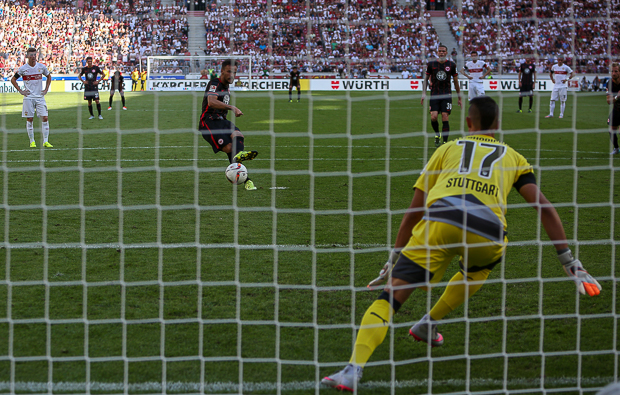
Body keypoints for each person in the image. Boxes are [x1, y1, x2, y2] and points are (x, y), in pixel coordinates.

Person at [321, 96, 602, 392]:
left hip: (440, 222)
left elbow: (414, 211)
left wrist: (394, 257)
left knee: (390, 298)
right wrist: (569, 261)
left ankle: (353, 370)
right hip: (488, 230)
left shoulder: (447, 148)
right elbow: (544, 208)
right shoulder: (514, 157)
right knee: (477, 271)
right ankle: (429, 322)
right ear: (498, 124)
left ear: (468, 123)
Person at [199, 59, 258, 191]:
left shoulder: (226, 87)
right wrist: (232, 107)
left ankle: (240, 162)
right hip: (208, 122)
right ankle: (246, 180)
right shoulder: (215, 83)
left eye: (234, 72)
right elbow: (211, 102)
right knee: (229, 149)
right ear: (222, 71)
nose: (232, 75)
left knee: (239, 136)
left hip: (221, 120)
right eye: (229, 71)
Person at [10, 47, 53, 148]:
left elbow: (49, 76)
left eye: (35, 55)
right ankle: (32, 141)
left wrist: (46, 89)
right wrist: (21, 91)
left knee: (45, 117)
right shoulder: (23, 69)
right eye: (31, 55)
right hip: (28, 98)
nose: (33, 57)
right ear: (27, 56)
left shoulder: (41, 67)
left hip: (40, 97)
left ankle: (46, 141)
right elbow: (13, 80)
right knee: (29, 119)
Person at [421, 44, 462, 148]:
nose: (442, 53)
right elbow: (426, 79)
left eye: (443, 51)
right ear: (437, 52)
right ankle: (437, 134)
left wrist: (459, 97)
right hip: (434, 94)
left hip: (446, 94)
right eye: (440, 51)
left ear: (446, 53)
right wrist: (423, 93)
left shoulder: (452, 65)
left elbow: (456, 82)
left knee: (445, 117)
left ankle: (444, 142)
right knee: (434, 117)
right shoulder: (431, 64)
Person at [606, 62, 620, 155]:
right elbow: (608, 101)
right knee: (611, 130)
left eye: (616, 71)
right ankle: (616, 148)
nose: (613, 73)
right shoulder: (610, 83)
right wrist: (617, 97)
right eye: (612, 71)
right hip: (617, 109)